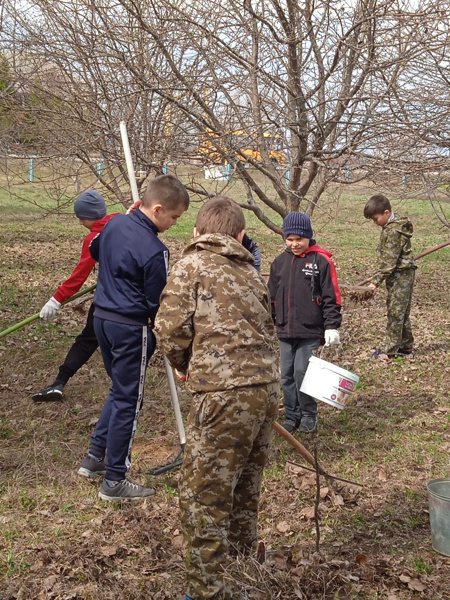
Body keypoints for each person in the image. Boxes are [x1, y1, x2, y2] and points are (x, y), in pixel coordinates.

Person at [155, 196, 279, 600]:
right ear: (240, 235)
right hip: (265, 391)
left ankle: (207, 591)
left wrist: (181, 362)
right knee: (244, 482)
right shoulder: (251, 272)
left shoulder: (191, 264)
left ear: (196, 233)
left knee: (204, 495)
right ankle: (243, 568)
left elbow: (170, 327)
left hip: (224, 396)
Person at [77, 174, 189, 501]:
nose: (174, 223)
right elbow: (158, 305)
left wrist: (124, 224)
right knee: (130, 399)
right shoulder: (155, 250)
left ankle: (95, 457)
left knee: (119, 389)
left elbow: (96, 250)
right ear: (157, 209)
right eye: (174, 217)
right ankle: (115, 479)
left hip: (101, 321)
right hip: (130, 329)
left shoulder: (112, 225)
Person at [32, 191, 119, 402]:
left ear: (91, 216)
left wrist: (56, 299)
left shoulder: (94, 238)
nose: (80, 222)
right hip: (131, 296)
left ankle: (59, 382)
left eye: (82, 217)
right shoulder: (121, 221)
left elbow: (79, 275)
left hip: (107, 299)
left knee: (88, 340)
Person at [268, 211, 342, 434]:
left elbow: (332, 296)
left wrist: (331, 326)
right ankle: (292, 414)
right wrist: (269, 321)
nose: (294, 244)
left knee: (303, 371)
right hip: (284, 329)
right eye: (289, 239)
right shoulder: (279, 263)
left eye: (299, 239)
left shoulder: (321, 261)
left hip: (309, 329)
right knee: (286, 375)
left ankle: (309, 413)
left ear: (309, 236)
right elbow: (270, 296)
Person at [363, 193, 416, 358]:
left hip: (400, 275)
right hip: (401, 274)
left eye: (375, 218)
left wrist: (375, 282)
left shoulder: (393, 230)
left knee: (395, 312)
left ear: (387, 213)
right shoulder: (394, 225)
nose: (374, 222)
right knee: (402, 311)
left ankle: (389, 350)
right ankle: (406, 346)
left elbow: (389, 262)